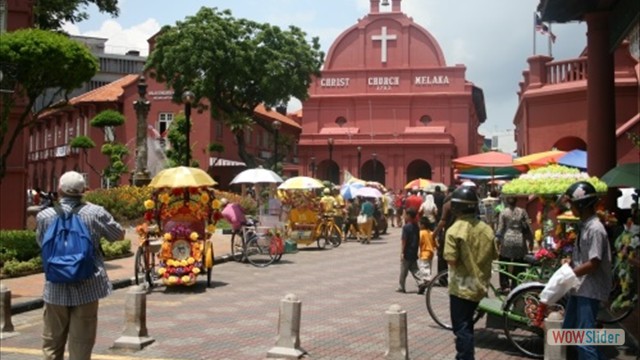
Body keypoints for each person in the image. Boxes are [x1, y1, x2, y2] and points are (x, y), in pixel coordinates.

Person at [35, 171, 125, 360]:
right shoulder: (95, 212)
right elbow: (118, 235)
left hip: (55, 286)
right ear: (84, 190)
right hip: (88, 285)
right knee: (81, 345)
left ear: (59, 189)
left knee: (51, 343)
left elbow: (41, 243)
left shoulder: (45, 216)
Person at [536, 181, 612, 359]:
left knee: (584, 340)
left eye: (572, 204)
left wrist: (569, 274)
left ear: (581, 204)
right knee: (569, 330)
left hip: (589, 290)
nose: (571, 208)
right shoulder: (585, 226)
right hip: (580, 288)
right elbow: (584, 257)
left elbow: (594, 263)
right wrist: (570, 262)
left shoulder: (595, 229)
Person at [443, 186, 497, 360]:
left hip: (461, 287)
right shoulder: (486, 229)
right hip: (480, 285)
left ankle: (465, 357)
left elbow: (451, 260)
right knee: (468, 323)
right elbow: (494, 254)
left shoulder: (453, 231)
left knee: (462, 327)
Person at [495, 195, 533, 293]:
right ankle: (516, 284)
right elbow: (528, 227)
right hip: (519, 240)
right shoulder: (522, 211)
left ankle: (505, 285)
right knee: (519, 262)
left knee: (503, 262)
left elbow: (500, 228)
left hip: (507, 240)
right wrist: (531, 240)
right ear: (516, 201)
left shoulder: (503, 212)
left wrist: (497, 241)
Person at [397, 208, 427, 293]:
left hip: (407, 251)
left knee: (403, 270)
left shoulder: (406, 227)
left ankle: (401, 287)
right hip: (414, 250)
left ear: (409, 216)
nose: (404, 216)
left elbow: (404, 240)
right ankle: (421, 282)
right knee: (414, 268)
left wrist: (402, 252)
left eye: (405, 215)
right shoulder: (416, 226)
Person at [418, 217, 436, 285]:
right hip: (431, 252)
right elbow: (435, 243)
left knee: (424, 267)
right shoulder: (431, 233)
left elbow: (419, 242)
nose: (418, 225)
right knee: (429, 267)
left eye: (419, 224)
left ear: (423, 225)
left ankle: (427, 281)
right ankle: (427, 279)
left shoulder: (421, 233)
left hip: (424, 252)